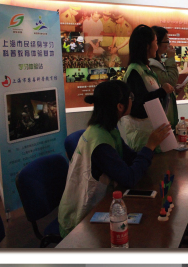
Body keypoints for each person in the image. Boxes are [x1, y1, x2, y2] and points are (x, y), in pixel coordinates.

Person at [58, 79, 171, 238]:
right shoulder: (100, 142)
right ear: (120, 106)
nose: (132, 100)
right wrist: (150, 146)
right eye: (130, 96)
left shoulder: (107, 129)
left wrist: (150, 148)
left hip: (100, 202)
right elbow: (129, 178)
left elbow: (130, 158)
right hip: (81, 220)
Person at [120, 24, 175, 152]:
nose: (157, 47)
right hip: (142, 139)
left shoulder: (146, 68)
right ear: (147, 46)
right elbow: (138, 105)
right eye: (155, 42)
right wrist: (162, 91)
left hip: (152, 137)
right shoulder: (135, 71)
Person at [149, 26, 179, 130]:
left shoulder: (158, 61)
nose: (169, 45)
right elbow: (171, 80)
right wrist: (171, 58)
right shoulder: (152, 64)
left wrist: (173, 88)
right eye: (166, 41)